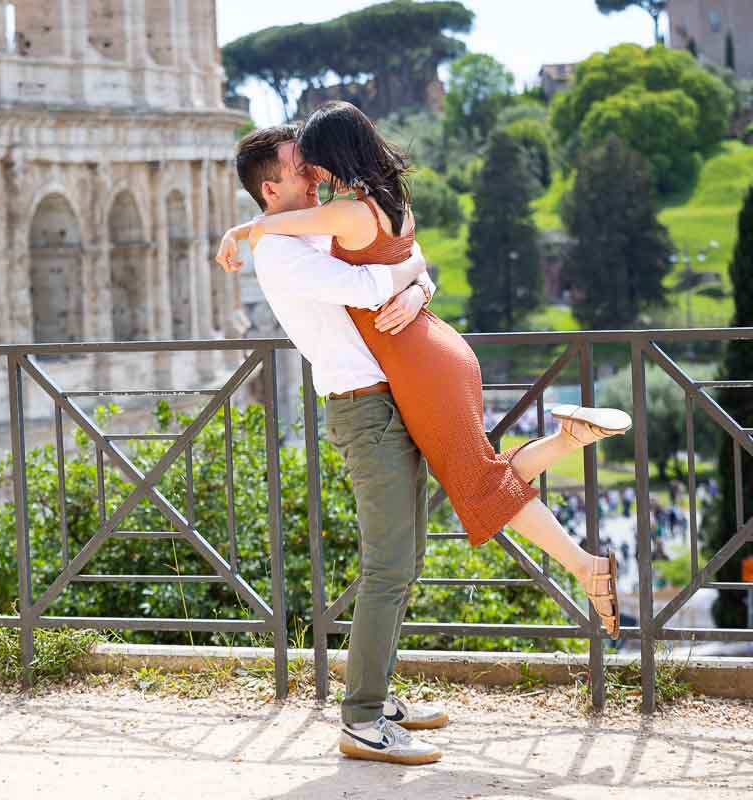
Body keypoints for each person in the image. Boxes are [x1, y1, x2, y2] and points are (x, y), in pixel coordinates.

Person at [217, 101, 630, 659]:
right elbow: (405, 255)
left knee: (475, 486)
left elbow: (373, 276)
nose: (313, 172)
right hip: (428, 354)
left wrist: (243, 230)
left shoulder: (336, 215)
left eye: (315, 161)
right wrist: (415, 282)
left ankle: (585, 564)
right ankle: (566, 449)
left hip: (417, 364)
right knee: (476, 479)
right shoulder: (383, 201)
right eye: (301, 167)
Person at [231, 124, 446, 766]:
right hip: (363, 407)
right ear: (272, 187)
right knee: (387, 563)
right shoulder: (281, 252)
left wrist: (418, 281)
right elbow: (369, 285)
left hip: (391, 397)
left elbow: (387, 258)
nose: (318, 170)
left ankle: (377, 695)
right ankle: (360, 719)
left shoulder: (308, 231)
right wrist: (413, 268)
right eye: (303, 167)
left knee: (405, 558)